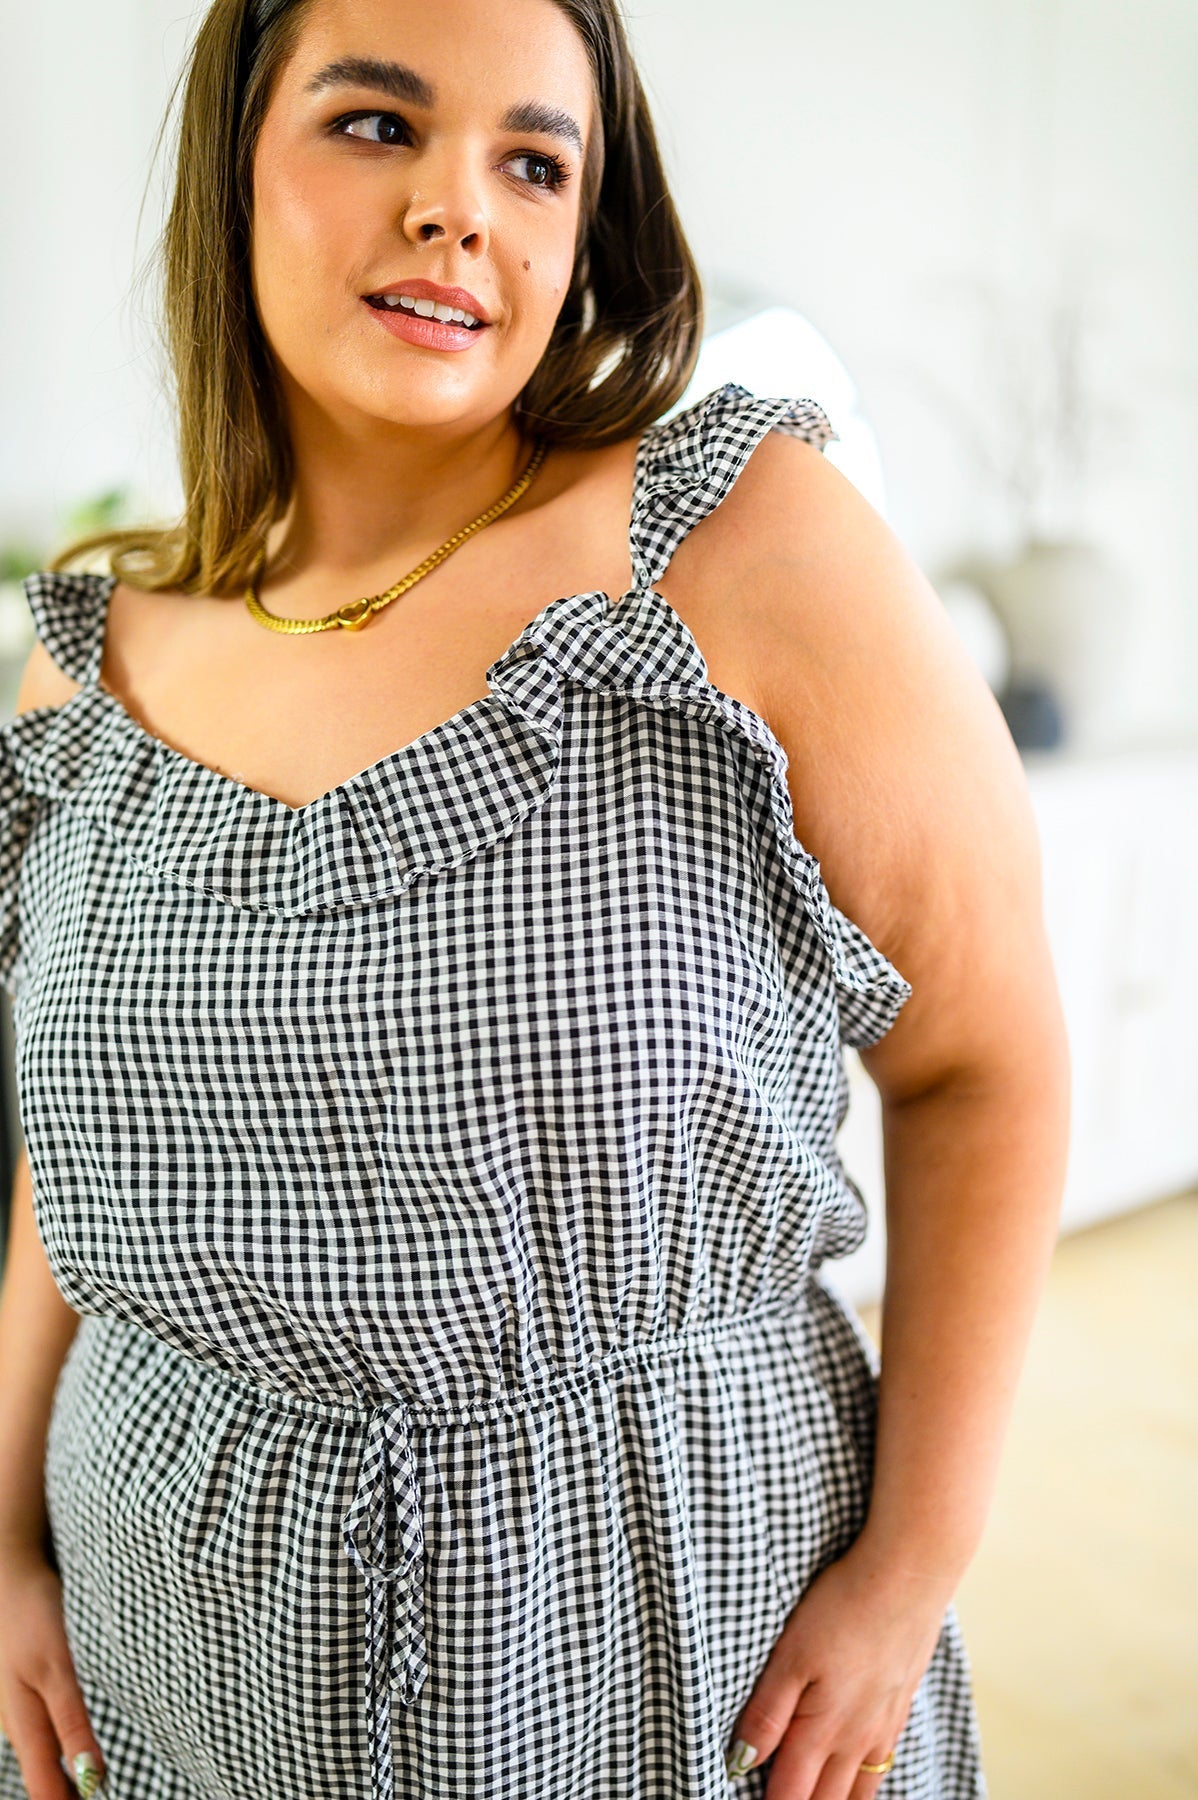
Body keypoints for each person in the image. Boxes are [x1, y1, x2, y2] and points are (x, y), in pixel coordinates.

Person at [0, 0, 1070, 1796]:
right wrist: (1, 1538)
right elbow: (87, 1159)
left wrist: (908, 1573)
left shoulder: (742, 549)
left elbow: (984, 1062)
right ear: (233, 167)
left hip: (668, 1625)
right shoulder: (86, 670)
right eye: (374, 124)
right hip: (164, 1632)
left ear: (584, 234)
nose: (457, 207)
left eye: (533, 162)